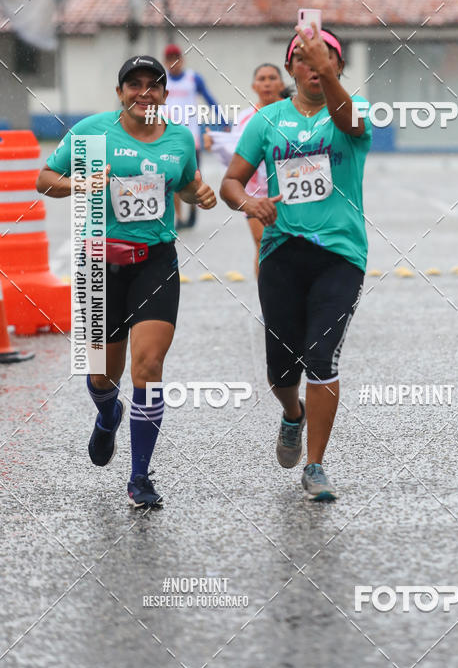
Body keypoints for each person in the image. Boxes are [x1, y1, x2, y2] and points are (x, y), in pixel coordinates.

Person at [36, 55, 217, 507]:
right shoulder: (92, 133)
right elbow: (44, 180)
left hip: (155, 262)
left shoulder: (179, 138)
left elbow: (185, 183)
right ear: (120, 93)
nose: (144, 92)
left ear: (165, 94)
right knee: (103, 375)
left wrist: (199, 192)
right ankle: (106, 415)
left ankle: (140, 477)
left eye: (153, 85)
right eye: (133, 84)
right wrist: (80, 185)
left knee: (148, 367)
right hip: (100, 263)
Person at [220, 26, 372, 501]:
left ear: (339, 66)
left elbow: (351, 125)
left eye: (325, 58)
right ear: (290, 68)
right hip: (281, 252)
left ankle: (316, 465)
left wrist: (328, 74)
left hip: (340, 254)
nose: (314, 66)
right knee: (281, 370)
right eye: (304, 59)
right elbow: (230, 182)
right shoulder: (268, 121)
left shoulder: (352, 110)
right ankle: (292, 413)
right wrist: (250, 203)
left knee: (321, 356)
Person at [204, 63, 285, 276]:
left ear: (282, 83)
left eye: (272, 78)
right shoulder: (244, 119)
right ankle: (266, 296)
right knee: (263, 245)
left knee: (290, 248)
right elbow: (235, 157)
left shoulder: (293, 112)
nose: (267, 83)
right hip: (255, 194)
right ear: (253, 86)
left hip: (289, 190)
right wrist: (216, 144)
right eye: (262, 79)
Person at [164, 43, 217, 230]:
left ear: (182, 60)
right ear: (165, 62)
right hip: (169, 138)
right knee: (173, 178)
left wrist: (222, 120)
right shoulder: (161, 81)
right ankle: (178, 217)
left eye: (176, 59)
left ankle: (193, 210)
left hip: (191, 138)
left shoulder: (193, 78)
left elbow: (209, 99)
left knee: (194, 178)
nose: (174, 63)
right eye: (170, 60)